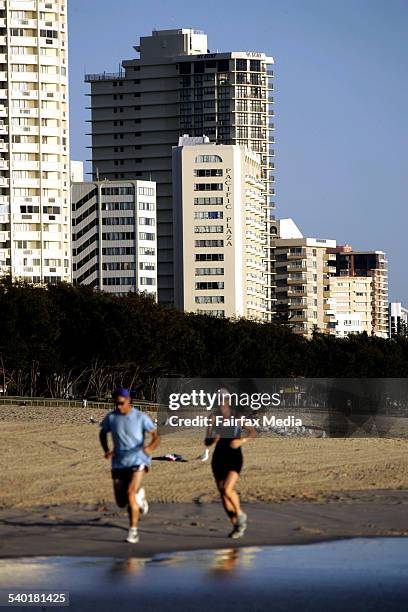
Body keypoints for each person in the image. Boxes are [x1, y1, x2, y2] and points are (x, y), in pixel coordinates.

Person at [99, 387, 160, 544]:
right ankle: (140, 499)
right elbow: (102, 432)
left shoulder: (140, 417)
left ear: (129, 400)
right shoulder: (111, 417)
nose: (118, 406)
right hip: (118, 462)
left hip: (138, 460)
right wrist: (107, 450)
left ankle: (133, 532)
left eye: (121, 403)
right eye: (116, 403)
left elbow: (156, 436)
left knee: (130, 492)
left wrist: (149, 449)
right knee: (121, 502)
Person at [204, 389, 256, 539]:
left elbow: (252, 432)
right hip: (218, 457)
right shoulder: (213, 417)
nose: (220, 402)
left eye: (223, 399)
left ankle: (240, 514)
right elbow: (206, 441)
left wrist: (241, 440)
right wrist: (213, 439)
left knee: (227, 489)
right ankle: (237, 526)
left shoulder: (238, 415)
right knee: (223, 494)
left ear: (228, 400)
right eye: (218, 399)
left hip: (234, 455)